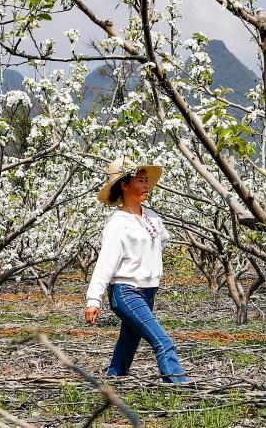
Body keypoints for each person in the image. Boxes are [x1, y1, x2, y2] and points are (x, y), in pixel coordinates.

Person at [84, 159, 189, 383]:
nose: (146, 185)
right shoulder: (117, 223)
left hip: (148, 291)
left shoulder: (152, 216)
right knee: (163, 341)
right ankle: (180, 389)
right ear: (124, 185)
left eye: (146, 181)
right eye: (140, 181)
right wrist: (94, 299)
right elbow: (106, 262)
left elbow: (162, 240)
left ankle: (114, 381)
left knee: (128, 343)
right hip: (126, 291)